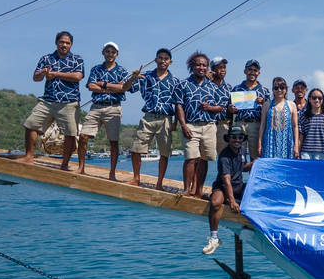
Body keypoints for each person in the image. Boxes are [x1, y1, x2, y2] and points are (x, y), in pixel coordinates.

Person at [21, 31, 84, 169]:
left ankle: (65, 164)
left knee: (70, 133)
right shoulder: (46, 58)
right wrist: (43, 73)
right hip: (48, 100)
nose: (64, 45)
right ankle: (29, 157)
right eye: (62, 42)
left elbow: (78, 76)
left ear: (71, 44)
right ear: (56, 42)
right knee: (31, 124)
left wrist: (55, 74)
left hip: (69, 101)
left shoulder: (77, 59)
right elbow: (36, 77)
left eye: (67, 43)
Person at [77, 42, 133, 180]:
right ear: (103, 52)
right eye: (107, 51)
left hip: (113, 107)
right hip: (96, 106)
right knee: (83, 136)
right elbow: (90, 85)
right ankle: (81, 167)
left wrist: (103, 84)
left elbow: (124, 88)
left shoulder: (123, 71)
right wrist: (111, 88)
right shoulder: (96, 69)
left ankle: (112, 173)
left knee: (113, 141)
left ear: (117, 54)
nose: (110, 54)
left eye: (113, 52)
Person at [126, 48, 179, 190]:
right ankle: (136, 178)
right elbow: (127, 88)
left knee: (164, 152)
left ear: (170, 62)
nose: (163, 61)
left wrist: (175, 123)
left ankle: (160, 183)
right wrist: (133, 77)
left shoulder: (174, 81)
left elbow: (178, 104)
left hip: (166, 119)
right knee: (136, 148)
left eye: (166, 58)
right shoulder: (145, 76)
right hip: (148, 117)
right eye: (160, 58)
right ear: (155, 60)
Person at [173, 51, 222, 198]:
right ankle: (187, 189)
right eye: (198, 64)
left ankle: (199, 190)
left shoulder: (213, 86)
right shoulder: (183, 84)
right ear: (192, 66)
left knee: (205, 159)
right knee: (190, 158)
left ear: (207, 68)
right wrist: (183, 125)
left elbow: (219, 107)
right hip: (191, 125)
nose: (201, 67)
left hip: (209, 125)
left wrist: (209, 108)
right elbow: (179, 106)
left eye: (204, 65)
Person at [203, 125, 250, 255]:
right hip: (223, 186)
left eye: (240, 137)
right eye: (234, 137)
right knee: (215, 203)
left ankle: (252, 224)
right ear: (229, 138)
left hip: (238, 185)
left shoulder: (242, 150)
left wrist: (250, 166)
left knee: (257, 194)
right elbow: (226, 181)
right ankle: (214, 237)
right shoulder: (224, 156)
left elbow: (242, 167)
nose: (237, 139)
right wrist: (232, 201)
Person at [231, 59, 270, 161]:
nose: (252, 72)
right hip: (240, 123)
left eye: (255, 70)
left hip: (256, 125)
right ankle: (237, 177)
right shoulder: (236, 89)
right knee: (237, 155)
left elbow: (269, 110)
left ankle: (253, 177)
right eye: (250, 69)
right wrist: (231, 109)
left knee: (256, 155)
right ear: (245, 71)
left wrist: (263, 102)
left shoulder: (264, 90)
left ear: (259, 73)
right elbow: (230, 109)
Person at [259, 77, 299, 159]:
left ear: (286, 89)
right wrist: (259, 144)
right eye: (276, 88)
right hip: (269, 141)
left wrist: (296, 145)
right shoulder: (266, 104)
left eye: (282, 88)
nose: (279, 90)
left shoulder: (292, 105)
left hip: (286, 141)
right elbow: (262, 125)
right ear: (273, 90)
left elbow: (295, 126)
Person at [298, 88, 324, 160]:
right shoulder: (304, 116)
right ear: (309, 99)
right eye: (314, 98)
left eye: (320, 98)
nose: (317, 100)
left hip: (321, 153)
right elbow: (301, 136)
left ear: (323, 100)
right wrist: (298, 152)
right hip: (306, 153)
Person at [209, 57, 233, 155]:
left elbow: (233, 109)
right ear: (213, 70)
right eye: (219, 67)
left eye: (224, 67)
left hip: (224, 125)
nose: (222, 69)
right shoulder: (206, 85)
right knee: (204, 157)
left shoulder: (229, 87)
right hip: (209, 125)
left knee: (224, 156)